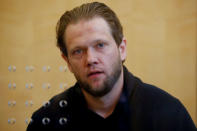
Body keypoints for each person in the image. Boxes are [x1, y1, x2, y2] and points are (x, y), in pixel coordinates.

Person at [27, 2, 196, 131]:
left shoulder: (170, 115)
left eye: (100, 45)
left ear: (121, 49)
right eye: (78, 51)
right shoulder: (46, 122)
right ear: (67, 62)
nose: (91, 59)